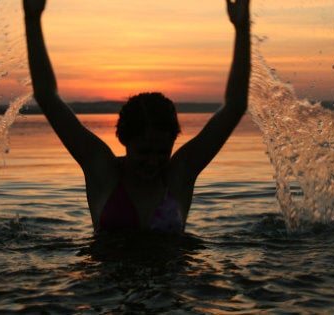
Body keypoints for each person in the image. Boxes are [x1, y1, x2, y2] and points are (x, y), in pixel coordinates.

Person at [23, 0, 251, 233]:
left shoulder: (179, 174)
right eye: (143, 152)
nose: (153, 162)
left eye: (163, 152)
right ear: (123, 139)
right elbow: (47, 96)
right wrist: (32, 20)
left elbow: (235, 106)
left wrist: (242, 29)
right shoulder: (102, 169)